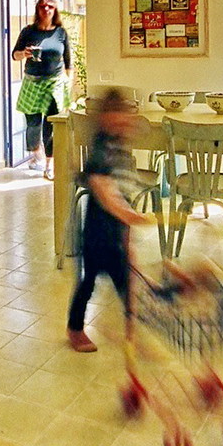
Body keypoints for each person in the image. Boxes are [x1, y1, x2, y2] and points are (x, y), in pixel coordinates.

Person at [66, 88, 156, 353]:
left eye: (127, 116)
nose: (125, 122)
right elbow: (101, 186)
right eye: (118, 115)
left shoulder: (120, 149)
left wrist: (127, 228)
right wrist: (127, 214)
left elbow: (122, 190)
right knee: (88, 283)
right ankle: (74, 328)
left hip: (116, 231)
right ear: (105, 119)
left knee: (127, 285)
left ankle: (132, 335)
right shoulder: (100, 149)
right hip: (96, 234)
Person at [12, 0, 71, 180]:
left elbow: (68, 60)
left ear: (55, 10)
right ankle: (36, 152)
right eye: (43, 7)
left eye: (50, 7)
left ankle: (49, 164)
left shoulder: (61, 33)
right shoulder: (28, 32)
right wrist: (24, 53)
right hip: (32, 81)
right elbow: (15, 55)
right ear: (38, 10)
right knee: (33, 124)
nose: (46, 10)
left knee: (51, 125)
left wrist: (68, 82)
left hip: (55, 82)